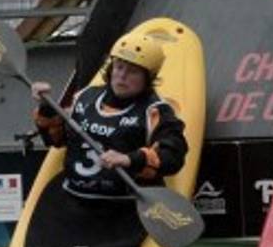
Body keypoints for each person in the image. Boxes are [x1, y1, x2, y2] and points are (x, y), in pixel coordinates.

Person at [30, 30, 187, 201]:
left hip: (124, 207)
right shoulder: (86, 96)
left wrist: (129, 159)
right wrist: (46, 107)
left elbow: (173, 156)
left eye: (133, 71)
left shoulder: (156, 111)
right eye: (119, 67)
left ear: (147, 78)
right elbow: (56, 139)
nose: (122, 76)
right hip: (74, 200)